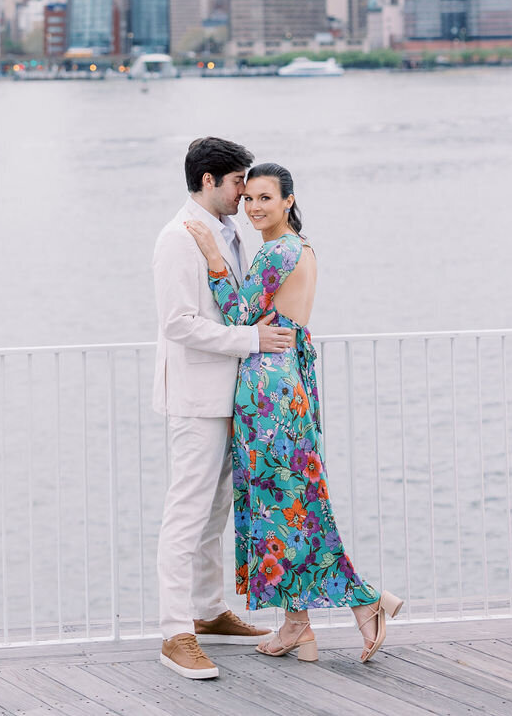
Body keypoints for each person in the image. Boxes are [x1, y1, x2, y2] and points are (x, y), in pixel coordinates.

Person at [185, 161, 402, 665]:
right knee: (290, 505)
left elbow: (239, 316)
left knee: (280, 505)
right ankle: (297, 624)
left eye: (267, 198)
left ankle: (364, 599)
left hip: (269, 389)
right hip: (288, 382)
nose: (255, 207)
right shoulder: (299, 247)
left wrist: (214, 255)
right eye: (251, 198)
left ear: (288, 202)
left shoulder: (276, 251)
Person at [152, 137, 298, 681]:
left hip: (234, 393)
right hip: (197, 399)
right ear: (209, 181)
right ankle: (175, 634)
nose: (246, 191)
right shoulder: (177, 239)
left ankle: (210, 612)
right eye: (239, 181)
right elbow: (178, 324)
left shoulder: (230, 232)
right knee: (186, 514)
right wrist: (251, 342)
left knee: (215, 512)